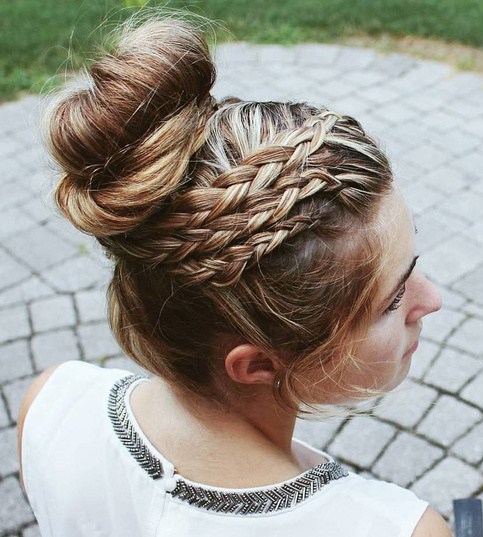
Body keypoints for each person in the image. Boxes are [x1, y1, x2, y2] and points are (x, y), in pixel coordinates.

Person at [17, 16, 450, 537]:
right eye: (392, 300)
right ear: (258, 364)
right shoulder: (397, 528)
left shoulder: (51, 404)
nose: (433, 300)